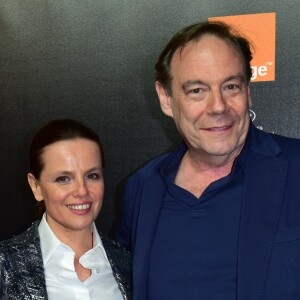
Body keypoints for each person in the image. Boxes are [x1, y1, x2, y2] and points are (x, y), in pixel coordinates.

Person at [116, 21, 300, 299]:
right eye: (197, 91)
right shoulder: (142, 188)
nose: (218, 107)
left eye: (231, 87)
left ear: (248, 92)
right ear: (166, 99)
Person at [0, 119, 131, 300]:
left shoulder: (129, 265)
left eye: (92, 176)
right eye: (63, 179)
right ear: (36, 187)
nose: (82, 191)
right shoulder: (5, 265)